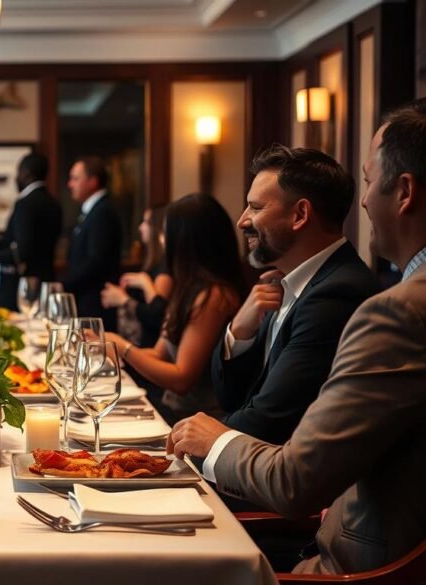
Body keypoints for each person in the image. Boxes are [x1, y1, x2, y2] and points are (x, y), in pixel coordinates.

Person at [168, 98, 426, 576]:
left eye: (370, 183)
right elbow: (239, 396)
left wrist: (211, 439)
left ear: (405, 192)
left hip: (345, 564)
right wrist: (240, 332)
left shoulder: (379, 305)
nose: (364, 202)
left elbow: (290, 468)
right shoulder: (283, 285)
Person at [211, 145, 378, 445]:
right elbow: (232, 398)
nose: (242, 220)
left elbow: (268, 422)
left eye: (256, 207)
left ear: (300, 214)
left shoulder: (337, 293)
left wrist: (191, 442)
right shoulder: (285, 283)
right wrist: (239, 332)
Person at [105, 193, 244, 423]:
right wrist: (107, 346)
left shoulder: (214, 296)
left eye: (166, 234)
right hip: (174, 411)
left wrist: (123, 347)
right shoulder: (187, 288)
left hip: (196, 421)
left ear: (185, 241)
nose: (162, 241)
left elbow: (181, 379)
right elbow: (160, 354)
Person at [0, 152, 63, 308]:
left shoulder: (25, 204)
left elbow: (22, 250)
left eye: (18, 172)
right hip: (47, 279)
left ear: (26, 174)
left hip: (23, 285)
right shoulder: (54, 204)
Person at [63, 155, 122, 333]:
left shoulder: (103, 212)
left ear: (93, 181)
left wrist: (63, 286)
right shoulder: (94, 210)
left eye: (75, 178)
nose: (70, 184)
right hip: (86, 301)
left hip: (94, 307)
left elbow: (96, 261)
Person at [101, 206, 172, 349]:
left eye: (146, 222)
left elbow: (157, 316)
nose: (141, 227)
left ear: (158, 228)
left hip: (151, 348)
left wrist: (123, 300)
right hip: (144, 345)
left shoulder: (164, 269)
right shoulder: (154, 262)